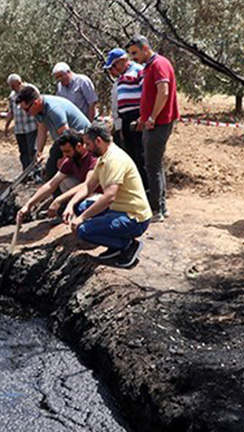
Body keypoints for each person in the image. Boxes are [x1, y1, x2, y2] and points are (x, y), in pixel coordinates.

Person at [64, 122, 152, 268]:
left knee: (83, 230)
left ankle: (127, 245)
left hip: (134, 218)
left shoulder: (114, 160)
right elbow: (88, 186)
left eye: (87, 144)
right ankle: (115, 245)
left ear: (98, 141)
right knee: (81, 206)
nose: (85, 148)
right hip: (117, 208)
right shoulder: (103, 158)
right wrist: (70, 205)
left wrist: (81, 218)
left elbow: (109, 196)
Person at [126, 34, 179, 222]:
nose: (133, 57)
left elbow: (163, 92)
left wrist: (152, 117)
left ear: (145, 48)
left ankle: (157, 209)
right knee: (155, 164)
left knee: (152, 165)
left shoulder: (159, 64)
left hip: (159, 122)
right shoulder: (149, 66)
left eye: (134, 53)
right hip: (153, 122)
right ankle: (160, 206)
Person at [16, 130, 99, 223]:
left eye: (68, 151)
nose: (65, 155)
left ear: (79, 146)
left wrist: (59, 199)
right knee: (64, 182)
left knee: (84, 206)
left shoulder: (93, 159)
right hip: (86, 193)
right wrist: (28, 205)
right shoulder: (70, 160)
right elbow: (52, 184)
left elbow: (87, 185)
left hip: (99, 195)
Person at [15, 85, 90, 180]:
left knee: (59, 169)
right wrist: (39, 152)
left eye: (26, 109)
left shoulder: (53, 109)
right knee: (51, 169)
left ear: (36, 103)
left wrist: (64, 158)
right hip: (64, 139)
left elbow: (66, 135)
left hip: (81, 139)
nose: (26, 113)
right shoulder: (38, 110)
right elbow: (42, 130)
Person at [104, 48, 147, 189]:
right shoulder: (121, 78)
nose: (113, 70)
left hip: (137, 116)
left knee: (140, 154)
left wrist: (143, 116)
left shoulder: (138, 70)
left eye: (114, 66)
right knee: (130, 154)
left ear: (122, 61)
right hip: (125, 119)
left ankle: (146, 188)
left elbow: (146, 94)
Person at [3, 74, 39, 172]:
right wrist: (6, 126)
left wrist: (41, 124)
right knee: (23, 152)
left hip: (31, 126)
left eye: (13, 86)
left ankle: (35, 172)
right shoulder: (12, 95)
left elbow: (39, 106)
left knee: (32, 150)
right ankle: (26, 173)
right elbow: (11, 112)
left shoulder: (31, 90)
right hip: (19, 128)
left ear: (19, 83)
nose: (12, 88)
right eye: (10, 86)